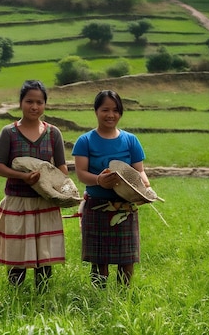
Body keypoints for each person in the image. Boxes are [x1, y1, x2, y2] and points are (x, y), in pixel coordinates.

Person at [0, 80, 68, 292]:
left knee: (45, 256)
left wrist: (61, 186)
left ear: (45, 104)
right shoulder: (9, 133)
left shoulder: (53, 133)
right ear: (20, 103)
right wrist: (22, 177)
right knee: (18, 254)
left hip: (46, 202)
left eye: (39, 102)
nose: (34, 107)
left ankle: (42, 298)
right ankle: (15, 296)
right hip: (18, 202)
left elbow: (61, 167)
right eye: (29, 102)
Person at [72, 89, 152, 288]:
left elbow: (139, 171)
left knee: (127, 260)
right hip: (97, 206)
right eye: (105, 109)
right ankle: (99, 298)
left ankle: (124, 297)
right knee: (100, 260)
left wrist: (145, 185)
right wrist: (99, 180)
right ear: (96, 111)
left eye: (115, 110)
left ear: (121, 113)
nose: (110, 115)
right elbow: (81, 173)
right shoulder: (85, 141)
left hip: (125, 206)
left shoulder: (130, 140)